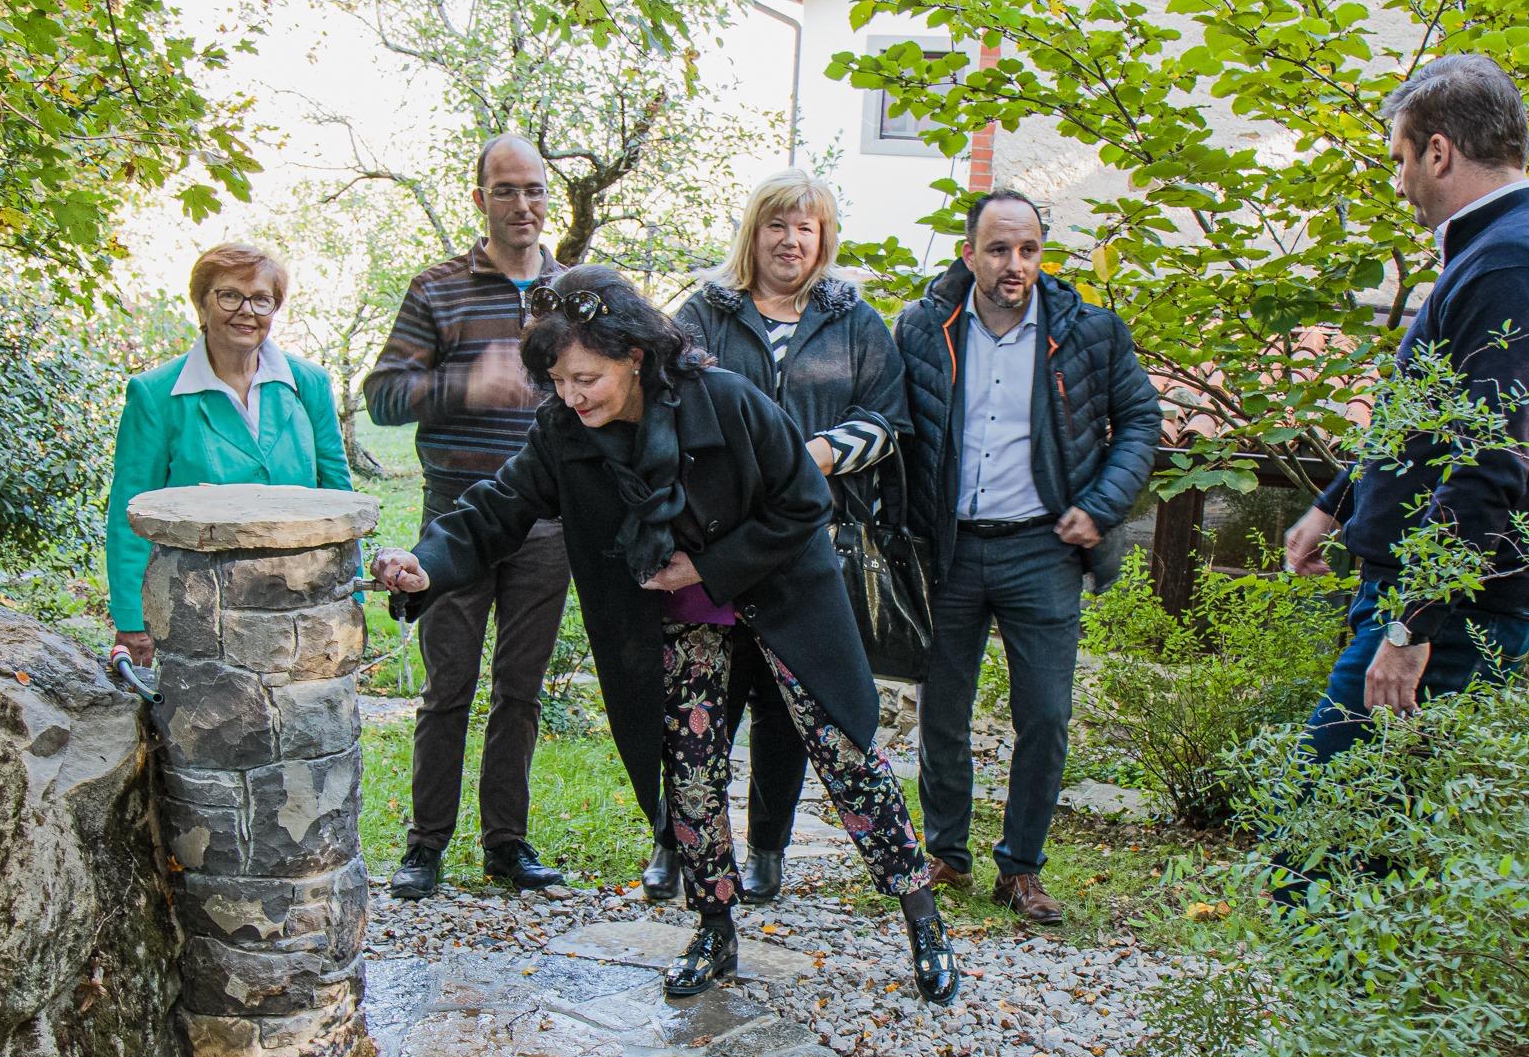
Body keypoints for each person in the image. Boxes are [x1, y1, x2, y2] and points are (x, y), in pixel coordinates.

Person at [369, 267, 960, 1005]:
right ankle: (714, 925)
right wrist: (424, 566)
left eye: (585, 377)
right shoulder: (563, 431)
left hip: (781, 598)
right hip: (685, 623)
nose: (572, 396)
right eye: (556, 380)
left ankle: (921, 917)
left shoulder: (729, 403)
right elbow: (498, 507)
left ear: (636, 356)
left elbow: (804, 503)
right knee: (689, 774)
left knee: (846, 757)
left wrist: (705, 566)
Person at [1283, 55, 1529, 793]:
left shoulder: (1513, 261)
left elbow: (1491, 456)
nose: (1397, 182)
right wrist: (1334, 504)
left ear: (1439, 151)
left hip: (1453, 611)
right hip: (1431, 600)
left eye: (1399, 159)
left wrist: (1410, 626)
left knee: (1322, 829)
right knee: (1371, 837)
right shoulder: (1495, 249)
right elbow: (1423, 419)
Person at [894, 189, 1162, 927]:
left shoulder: (1090, 333)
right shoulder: (923, 326)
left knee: (1044, 714)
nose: (1016, 265)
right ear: (969, 254)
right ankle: (946, 849)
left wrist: (1102, 507)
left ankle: (1021, 867)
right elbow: (896, 427)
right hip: (948, 550)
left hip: (1042, 547)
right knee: (941, 712)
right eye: (1000, 250)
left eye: (1029, 250)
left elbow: (1141, 419)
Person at [655, 169, 911, 907]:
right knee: (700, 701)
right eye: (777, 225)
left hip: (806, 543)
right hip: (711, 541)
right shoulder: (705, 312)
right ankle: (675, 844)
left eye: (806, 226)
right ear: (754, 233)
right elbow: (668, 404)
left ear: (823, 237)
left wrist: (813, 454)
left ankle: (767, 848)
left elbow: (889, 420)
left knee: (780, 706)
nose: (791, 240)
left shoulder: (855, 319)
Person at [364, 134, 570, 900]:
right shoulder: (438, 288)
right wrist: (464, 384)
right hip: (455, 517)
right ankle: (424, 847)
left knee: (522, 688)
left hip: (547, 524)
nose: (524, 205)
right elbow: (381, 395)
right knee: (448, 685)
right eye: (507, 189)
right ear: (479, 197)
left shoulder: (573, 293)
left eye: (536, 189)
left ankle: (507, 845)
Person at [107, 243, 351, 665]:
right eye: (229, 295)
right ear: (201, 305)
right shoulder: (156, 394)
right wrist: (132, 619)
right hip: (195, 605)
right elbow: (129, 512)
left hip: (301, 600)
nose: (247, 310)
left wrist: (349, 589)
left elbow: (338, 495)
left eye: (262, 299)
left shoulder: (309, 383)